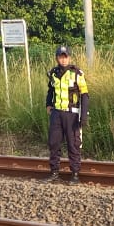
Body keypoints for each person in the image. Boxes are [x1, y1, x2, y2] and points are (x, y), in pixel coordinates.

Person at [44, 46, 89, 184]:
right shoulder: (53, 73)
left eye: (65, 56)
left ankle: (75, 175)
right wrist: (48, 105)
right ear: (57, 58)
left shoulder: (77, 73)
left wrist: (84, 115)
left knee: (73, 144)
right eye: (60, 56)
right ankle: (54, 173)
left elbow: (85, 95)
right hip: (56, 113)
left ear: (69, 57)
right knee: (54, 143)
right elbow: (51, 90)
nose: (63, 59)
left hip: (72, 114)